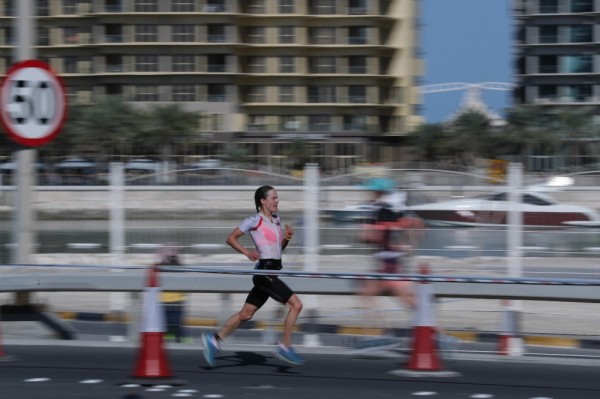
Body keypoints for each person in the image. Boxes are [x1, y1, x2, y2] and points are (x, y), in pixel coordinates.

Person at [201, 185, 305, 366]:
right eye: (273, 198)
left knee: (246, 314)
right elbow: (231, 238)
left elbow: (277, 250)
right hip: (264, 272)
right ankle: (285, 346)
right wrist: (246, 252)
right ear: (262, 201)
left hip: (272, 271)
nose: (277, 201)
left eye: (277, 198)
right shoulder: (253, 220)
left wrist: (287, 238)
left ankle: (214, 341)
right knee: (296, 305)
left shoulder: (277, 220)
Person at [157, 244, 188, 343]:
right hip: (175, 300)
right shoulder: (180, 266)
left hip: (167, 300)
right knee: (176, 323)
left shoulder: (159, 266)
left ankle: (172, 337)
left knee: (168, 322)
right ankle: (179, 339)